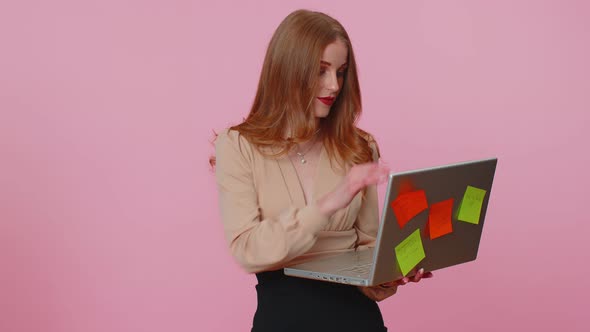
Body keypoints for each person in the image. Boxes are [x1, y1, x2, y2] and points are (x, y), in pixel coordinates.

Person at [214, 9, 432, 332]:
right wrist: (332, 201)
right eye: (321, 71)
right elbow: (248, 250)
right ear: (288, 71)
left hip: (359, 323)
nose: (334, 86)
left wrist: (390, 271)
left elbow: (366, 250)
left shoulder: (360, 146)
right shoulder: (238, 146)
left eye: (341, 72)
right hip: (283, 322)